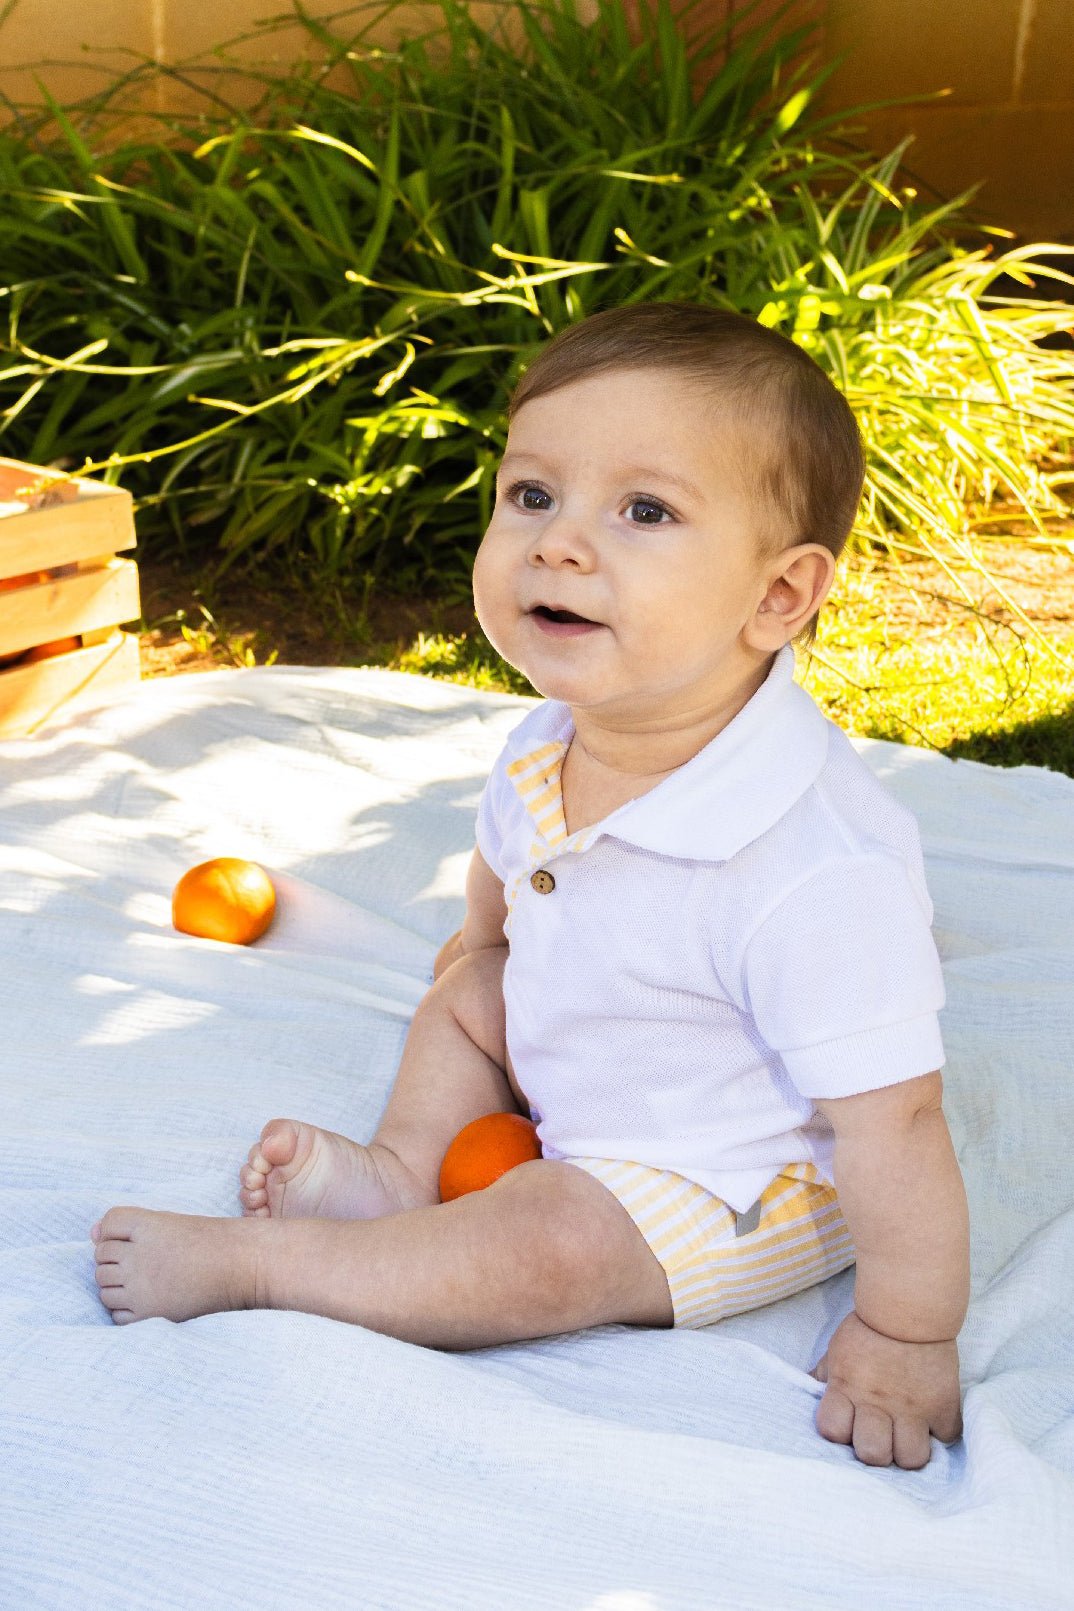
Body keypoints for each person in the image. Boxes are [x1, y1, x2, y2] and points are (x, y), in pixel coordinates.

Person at [90, 302, 968, 1470]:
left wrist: (909, 1331)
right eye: (532, 496)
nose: (557, 543)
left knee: (549, 1239)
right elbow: (506, 860)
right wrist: (480, 949)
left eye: (644, 511)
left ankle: (263, 1269)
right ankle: (401, 1174)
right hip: (590, 1050)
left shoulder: (812, 867)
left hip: (727, 1168)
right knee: (467, 989)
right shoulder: (553, 739)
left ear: (777, 595)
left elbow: (896, 1122)